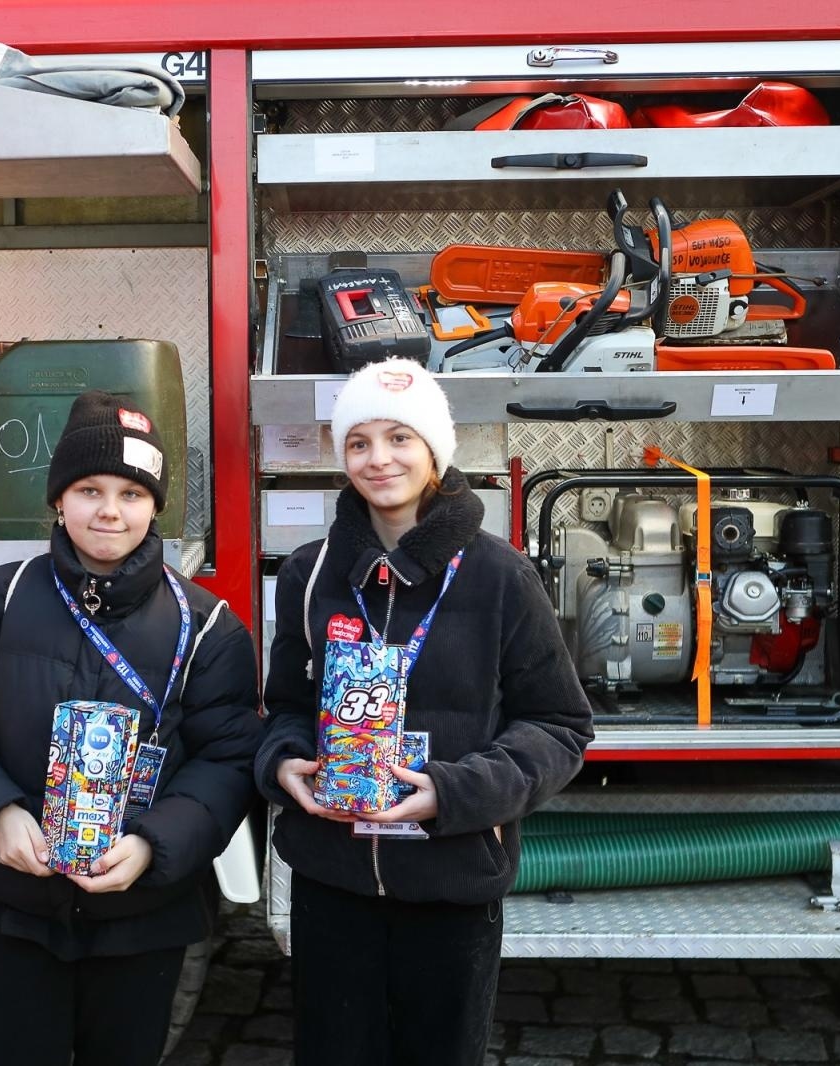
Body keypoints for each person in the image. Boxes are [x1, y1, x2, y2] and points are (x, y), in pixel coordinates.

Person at [255, 358, 595, 1066]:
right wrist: (283, 761)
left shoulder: (502, 576)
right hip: (333, 876)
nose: (378, 460)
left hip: (453, 879)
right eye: (358, 442)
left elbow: (560, 726)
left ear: (435, 449)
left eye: (399, 438)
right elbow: (286, 702)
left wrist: (454, 792)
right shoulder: (309, 573)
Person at [0, 390, 261, 1066]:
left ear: (156, 505)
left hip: (143, 919)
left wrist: (156, 846)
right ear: (57, 500)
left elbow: (229, 762)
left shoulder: (209, 628)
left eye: (132, 492)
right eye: (89, 488)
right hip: (14, 909)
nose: (109, 509)